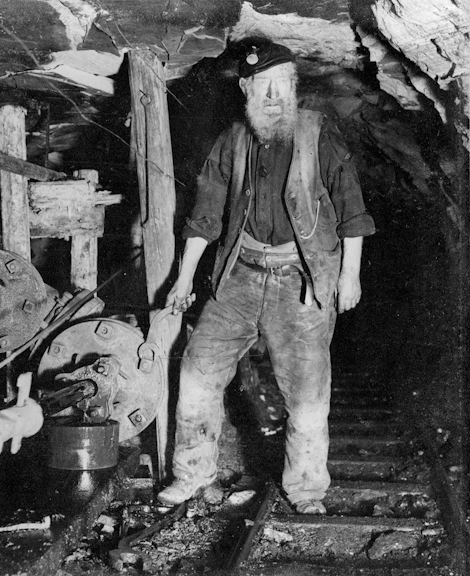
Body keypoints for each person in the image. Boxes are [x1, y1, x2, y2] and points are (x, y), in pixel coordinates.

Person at [157, 40, 375, 514]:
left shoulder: (319, 135)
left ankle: (306, 489)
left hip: (299, 282)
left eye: (283, 85)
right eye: (264, 86)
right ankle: (192, 474)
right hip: (238, 278)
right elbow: (205, 215)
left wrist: (349, 276)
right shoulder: (232, 139)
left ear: (294, 89)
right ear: (246, 89)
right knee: (196, 373)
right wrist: (184, 277)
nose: (274, 95)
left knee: (308, 392)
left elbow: (353, 211)